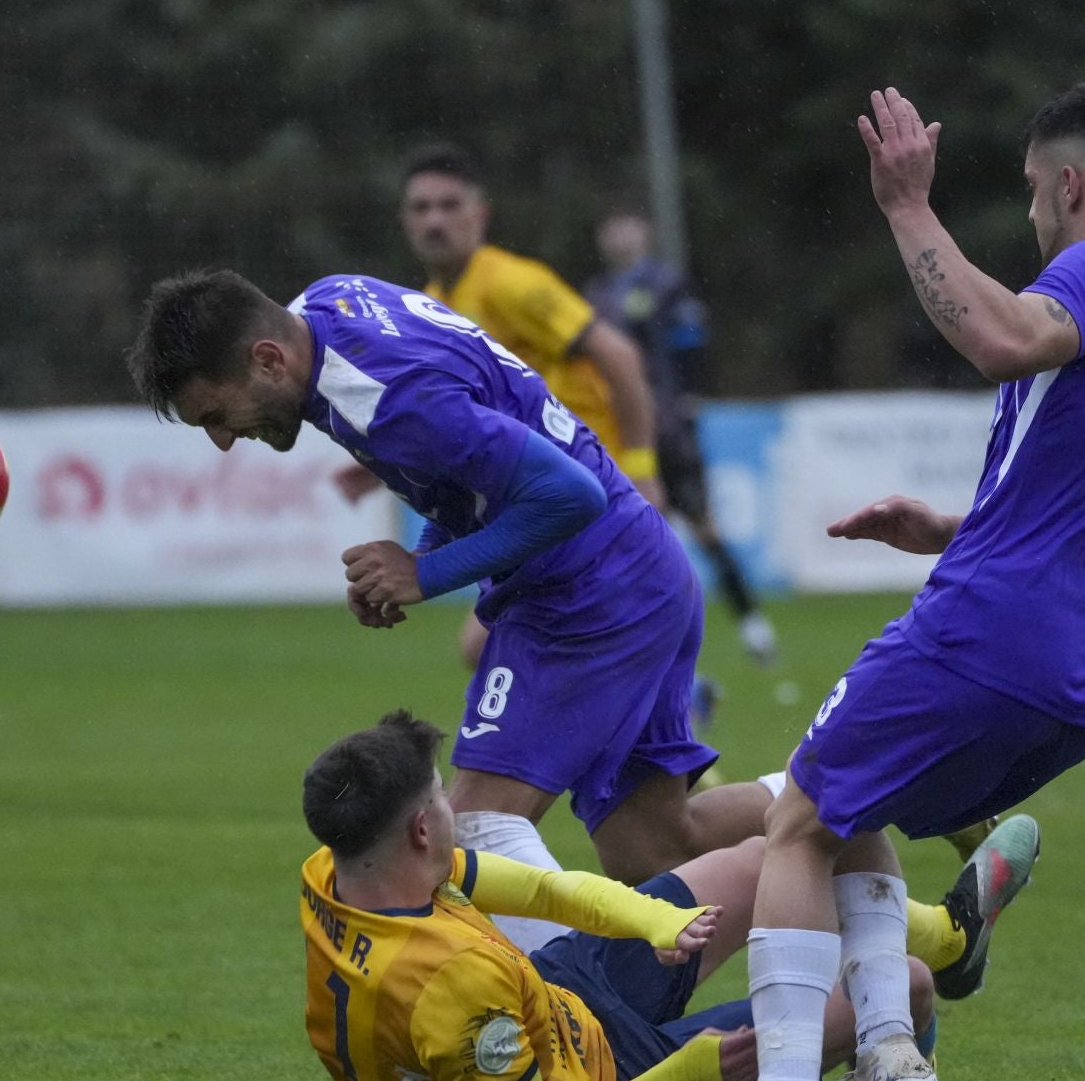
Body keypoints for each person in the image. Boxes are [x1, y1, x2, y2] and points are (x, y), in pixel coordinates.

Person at [673, 79, 1085, 1081]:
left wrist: (906, 207)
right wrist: (956, 524)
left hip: (990, 634)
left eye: (1031, 191)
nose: (1030, 213)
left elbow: (1004, 337)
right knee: (849, 806)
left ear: (1069, 185)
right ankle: (890, 1066)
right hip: (1083, 681)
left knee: (794, 822)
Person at [126, 266, 755, 948]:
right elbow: (467, 462)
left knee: (474, 828)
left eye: (217, 415)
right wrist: (418, 557)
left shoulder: (391, 401)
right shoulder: (332, 299)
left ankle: (584, 1021)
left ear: (268, 360)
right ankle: (816, 804)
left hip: (589, 592)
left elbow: (570, 496)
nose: (222, 439)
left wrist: (425, 573)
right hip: (638, 569)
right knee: (654, 847)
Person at [297, 710, 1024, 1081]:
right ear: (422, 828)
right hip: (612, 1074)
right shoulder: (453, 986)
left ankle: (956, 942)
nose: (456, 807)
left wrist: (659, 922)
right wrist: (688, 1076)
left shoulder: (342, 874)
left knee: (764, 857)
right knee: (906, 988)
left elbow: (544, 889)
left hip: (553, 991)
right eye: (440, 800)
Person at [333, 145, 669, 672]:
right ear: (404, 220)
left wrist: (643, 470)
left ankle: (652, 707)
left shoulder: (515, 284)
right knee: (514, 644)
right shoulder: (428, 301)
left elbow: (621, 357)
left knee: (492, 643)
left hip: (588, 481)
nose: (434, 220)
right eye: (420, 208)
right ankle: (659, 709)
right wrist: (374, 469)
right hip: (537, 488)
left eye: (449, 205)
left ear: (480, 215)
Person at [587, 207, 778, 666]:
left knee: (702, 525)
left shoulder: (666, 285)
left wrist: (689, 398)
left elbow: (691, 343)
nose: (618, 233)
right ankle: (641, 643)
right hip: (616, 433)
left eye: (626, 222)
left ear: (644, 231)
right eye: (610, 226)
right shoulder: (593, 295)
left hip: (668, 429)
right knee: (627, 537)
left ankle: (753, 624)